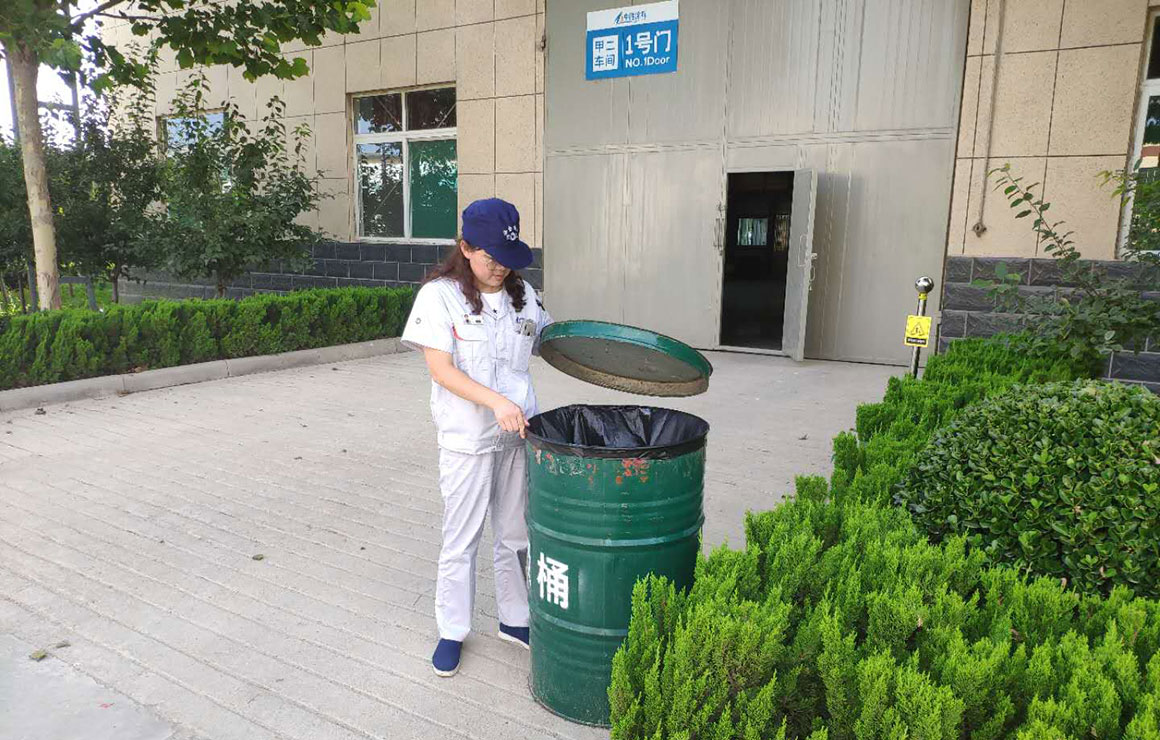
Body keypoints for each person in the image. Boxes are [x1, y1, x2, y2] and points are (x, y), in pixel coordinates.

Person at [401, 198, 553, 678]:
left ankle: (515, 619)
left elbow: (552, 341)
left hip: (518, 434)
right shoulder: (439, 297)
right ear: (465, 248)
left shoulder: (524, 295)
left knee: (515, 533)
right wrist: (496, 402)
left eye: (508, 257)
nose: (500, 267)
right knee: (461, 538)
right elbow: (442, 370)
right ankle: (452, 630)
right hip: (467, 439)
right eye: (490, 257)